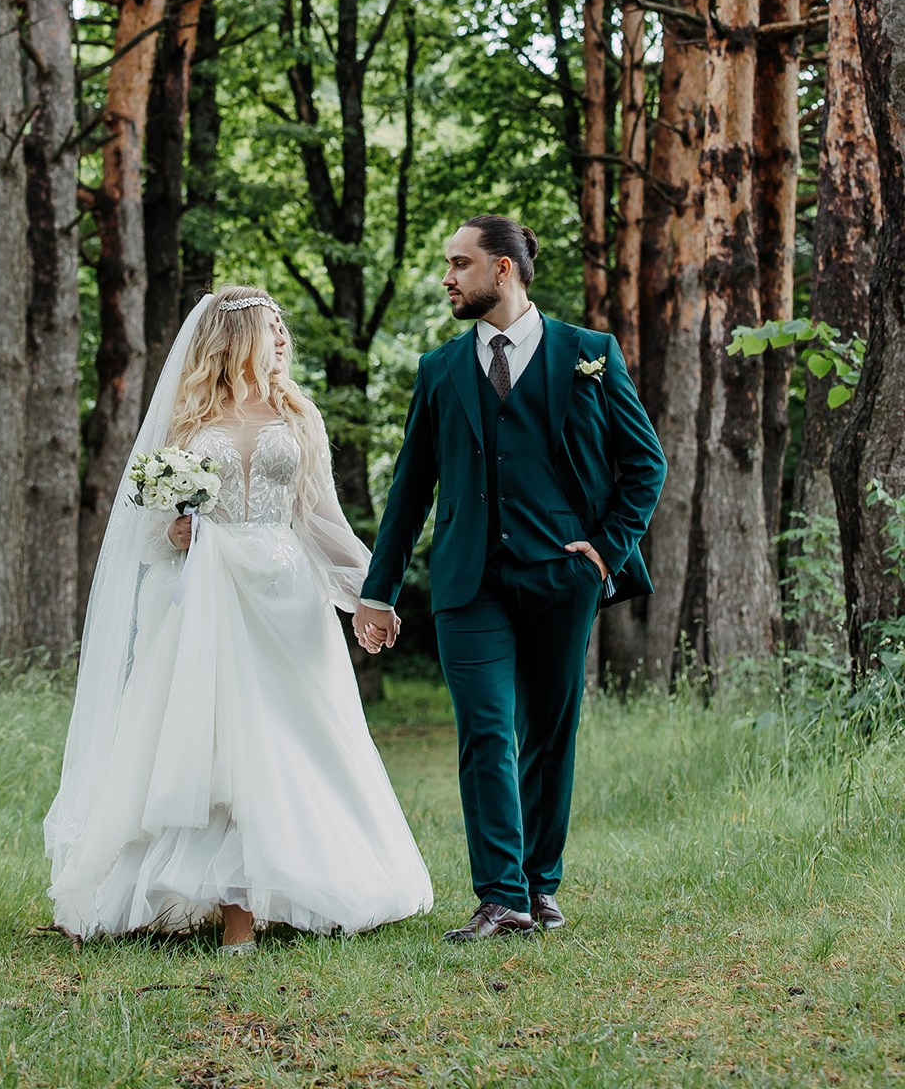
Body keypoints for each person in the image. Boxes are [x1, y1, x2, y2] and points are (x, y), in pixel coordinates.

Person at [45, 286, 432, 949]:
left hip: (286, 600)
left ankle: (283, 888)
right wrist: (171, 535)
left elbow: (319, 519)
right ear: (237, 337)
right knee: (216, 745)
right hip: (206, 599)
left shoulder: (299, 415)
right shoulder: (187, 420)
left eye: (284, 326)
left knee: (290, 742)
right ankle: (229, 917)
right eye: (271, 326)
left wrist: (373, 592)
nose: (282, 337)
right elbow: (145, 526)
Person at [354, 216, 666, 942]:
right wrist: (379, 591)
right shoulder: (438, 371)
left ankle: (540, 885)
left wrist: (607, 550)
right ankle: (501, 896)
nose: (447, 277)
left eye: (459, 264)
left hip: (564, 576)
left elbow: (645, 463)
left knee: (551, 734)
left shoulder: (589, 354)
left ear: (503, 271)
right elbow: (409, 491)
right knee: (487, 732)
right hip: (470, 583)